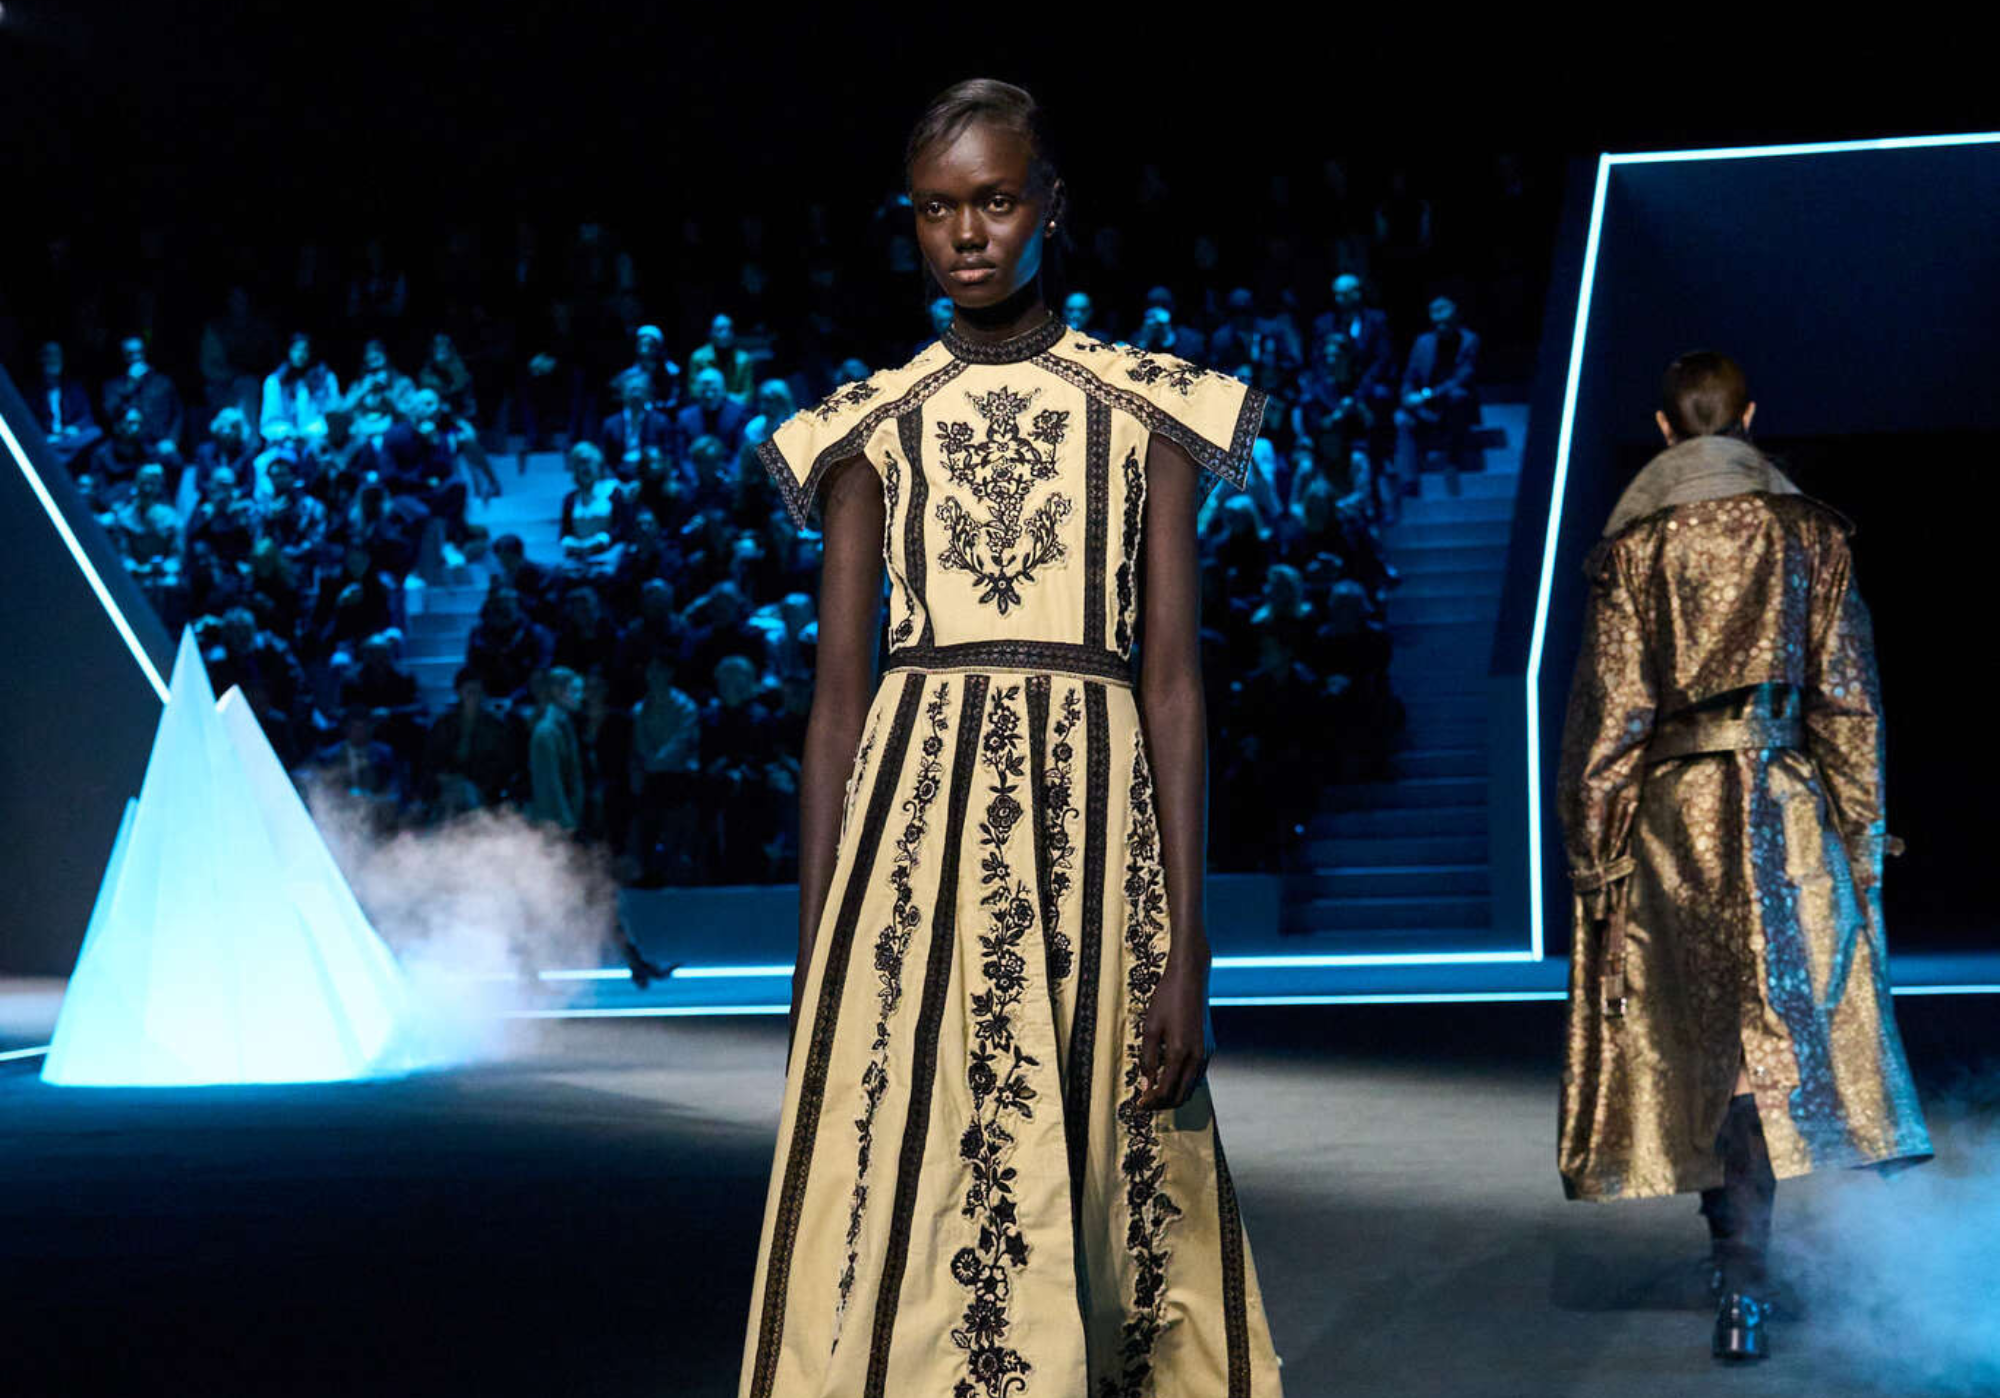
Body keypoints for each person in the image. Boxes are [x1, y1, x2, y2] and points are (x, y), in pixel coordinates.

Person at [739, 78, 1283, 1397]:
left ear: (1051, 208)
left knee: (1112, 1175)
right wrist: (819, 942)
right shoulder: (867, 421)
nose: (965, 234)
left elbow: (1171, 681)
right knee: (917, 1182)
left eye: (993, 200)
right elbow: (835, 697)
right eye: (936, 209)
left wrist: (1189, 942)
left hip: (1098, 848)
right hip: (910, 853)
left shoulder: (1148, 405)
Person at [1557, 351, 1932, 1362]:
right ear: (1749, 417)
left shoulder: (1634, 549)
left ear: (1664, 426)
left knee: (1715, 1051)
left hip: (1676, 818)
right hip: (1781, 803)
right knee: (1775, 1044)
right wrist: (1860, 837)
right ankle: (1761, 1273)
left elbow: (1606, 721)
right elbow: (1847, 701)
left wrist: (1592, 859)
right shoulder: (1808, 535)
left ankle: (1739, 1277)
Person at [1389, 294, 1479, 517]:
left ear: (1456, 320)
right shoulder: (1423, 343)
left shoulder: (1469, 340)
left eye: (1446, 322)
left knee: (1459, 396)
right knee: (1402, 419)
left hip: (1450, 402)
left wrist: (1427, 395)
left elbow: (1462, 377)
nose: (1442, 327)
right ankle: (1409, 481)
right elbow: (1410, 376)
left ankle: (1452, 459)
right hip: (1426, 405)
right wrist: (1408, 396)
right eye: (1437, 322)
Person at [529, 666, 586, 833]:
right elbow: (549, 784)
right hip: (556, 824)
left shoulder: (566, 726)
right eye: (574, 690)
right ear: (557, 691)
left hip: (568, 817)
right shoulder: (546, 732)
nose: (580, 696)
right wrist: (565, 822)